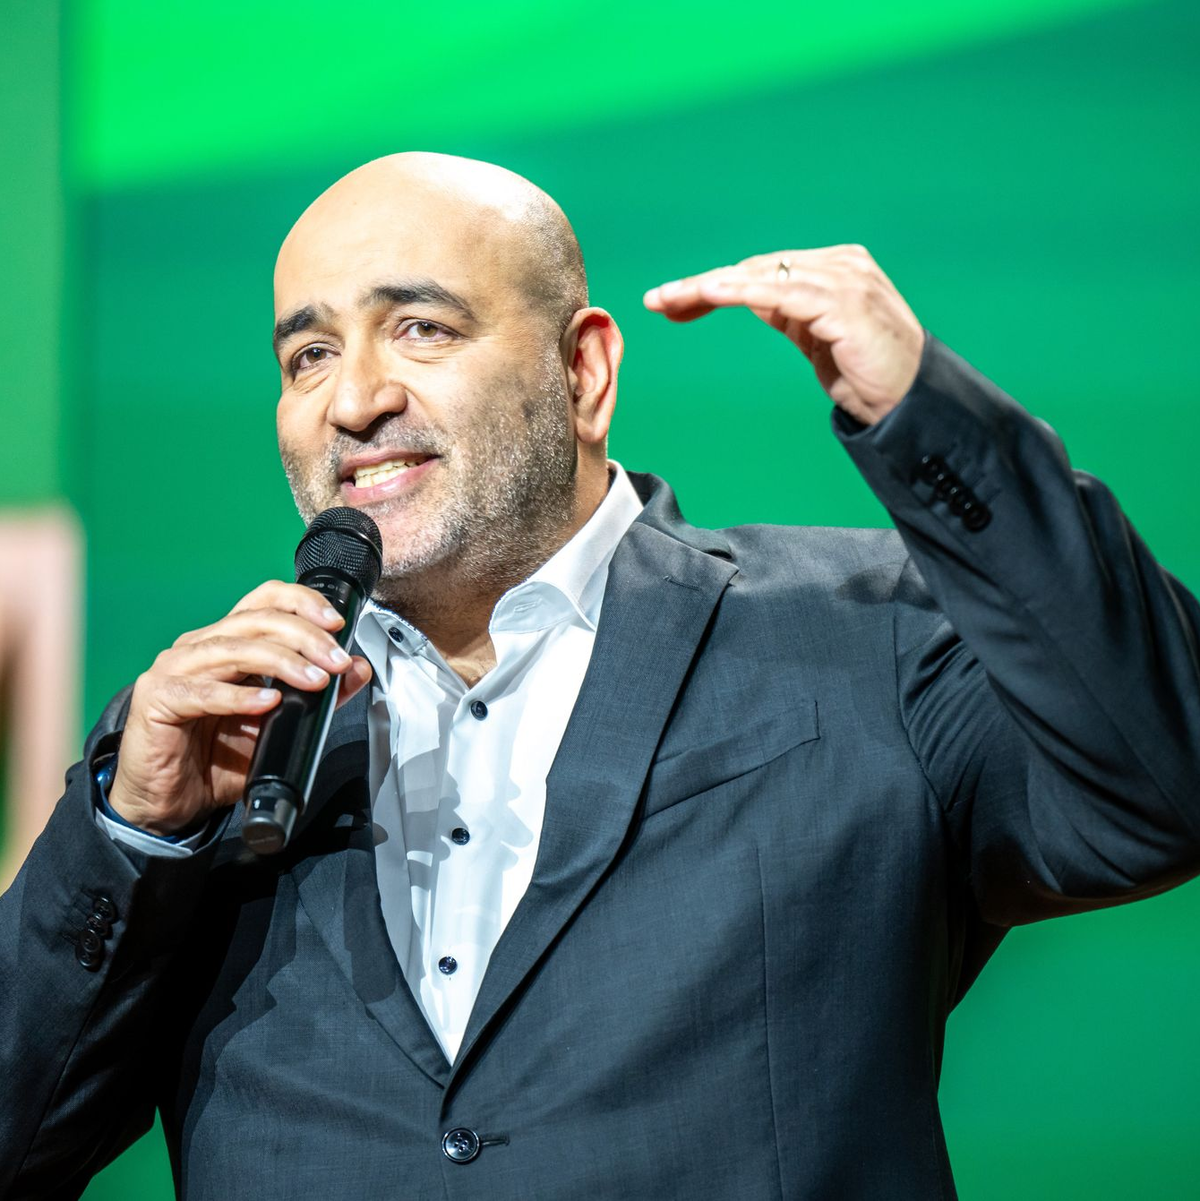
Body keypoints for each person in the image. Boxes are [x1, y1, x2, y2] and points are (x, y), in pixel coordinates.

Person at [2, 152, 1198, 1200]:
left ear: (583, 372)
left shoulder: (866, 637)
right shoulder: (213, 747)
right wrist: (129, 836)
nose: (352, 400)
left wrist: (929, 419)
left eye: (420, 327)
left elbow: (1165, 786)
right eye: (308, 353)